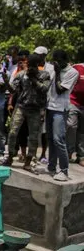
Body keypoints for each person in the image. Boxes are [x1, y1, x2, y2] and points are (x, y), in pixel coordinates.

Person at [0, 54, 51, 170]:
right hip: (21, 107)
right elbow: (13, 90)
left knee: (33, 137)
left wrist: (33, 80)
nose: (30, 68)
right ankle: (10, 157)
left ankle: (28, 161)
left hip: (36, 109)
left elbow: (44, 89)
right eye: (29, 65)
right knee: (13, 132)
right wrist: (6, 82)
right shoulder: (22, 74)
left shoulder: (45, 75)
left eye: (33, 66)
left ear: (38, 65)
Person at [44, 50, 79, 181]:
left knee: (59, 139)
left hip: (60, 109)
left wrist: (58, 73)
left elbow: (60, 90)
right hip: (49, 107)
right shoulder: (54, 69)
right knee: (51, 139)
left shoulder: (72, 72)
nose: (55, 64)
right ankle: (51, 166)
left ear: (64, 60)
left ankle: (64, 170)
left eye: (57, 61)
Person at [7, 50, 30, 161]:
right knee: (16, 130)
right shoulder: (17, 72)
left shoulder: (32, 73)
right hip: (18, 103)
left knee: (26, 131)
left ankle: (27, 155)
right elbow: (13, 90)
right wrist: (10, 102)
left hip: (29, 105)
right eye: (19, 61)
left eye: (23, 61)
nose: (21, 63)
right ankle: (14, 153)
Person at [34, 46, 53, 163]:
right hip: (34, 102)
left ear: (44, 56)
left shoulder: (51, 68)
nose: (36, 56)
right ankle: (32, 154)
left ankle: (43, 154)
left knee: (44, 131)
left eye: (39, 55)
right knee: (34, 130)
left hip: (46, 102)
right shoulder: (33, 66)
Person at [67, 63, 84, 167]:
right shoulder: (77, 67)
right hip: (73, 101)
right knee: (71, 126)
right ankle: (68, 152)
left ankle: (81, 156)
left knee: (82, 131)